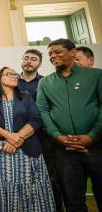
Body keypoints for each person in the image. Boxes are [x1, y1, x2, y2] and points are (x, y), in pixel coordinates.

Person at [37, 38, 102, 212]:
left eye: (58, 52)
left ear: (73, 53)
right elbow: (42, 110)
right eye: (50, 53)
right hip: (63, 150)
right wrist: (57, 135)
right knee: (73, 200)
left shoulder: (96, 75)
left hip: (96, 147)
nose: (53, 56)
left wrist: (92, 136)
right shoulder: (45, 82)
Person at [0, 67, 55, 211]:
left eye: (15, 74)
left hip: (27, 151)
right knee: (3, 186)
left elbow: (35, 120)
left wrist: (17, 139)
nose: (15, 76)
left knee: (31, 187)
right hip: (1, 153)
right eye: (9, 74)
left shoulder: (26, 97)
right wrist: (9, 136)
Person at [18, 48, 64, 211]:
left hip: (43, 137)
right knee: (22, 178)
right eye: (26, 58)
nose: (29, 61)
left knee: (51, 178)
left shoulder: (47, 82)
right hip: (19, 137)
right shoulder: (12, 81)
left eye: (34, 59)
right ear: (22, 60)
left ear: (40, 63)